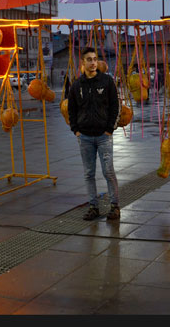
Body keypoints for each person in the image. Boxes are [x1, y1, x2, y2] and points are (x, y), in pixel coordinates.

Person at [67, 47, 121, 221]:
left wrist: (109, 129)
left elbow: (115, 106)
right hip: (84, 137)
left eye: (95, 59)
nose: (92, 62)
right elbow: (71, 108)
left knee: (108, 171)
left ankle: (114, 206)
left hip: (104, 136)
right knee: (89, 173)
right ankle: (93, 207)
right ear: (83, 63)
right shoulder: (77, 85)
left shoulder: (106, 82)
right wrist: (75, 129)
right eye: (89, 59)